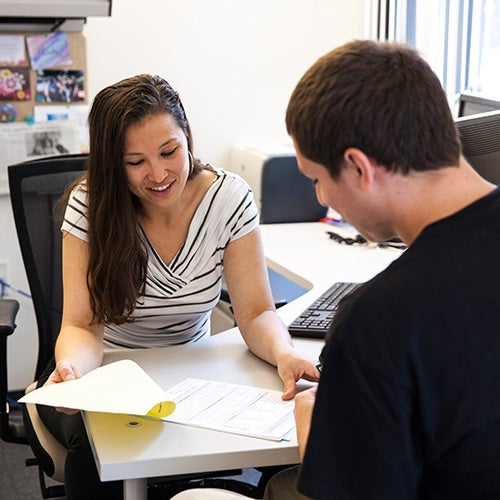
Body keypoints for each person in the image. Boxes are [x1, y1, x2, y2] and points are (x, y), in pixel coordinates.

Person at [172, 39, 500, 499]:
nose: (322, 198)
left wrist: (316, 437)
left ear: (358, 168)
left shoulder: (380, 321)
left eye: (317, 180)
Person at [35, 74, 320, 500]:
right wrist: (75, 374)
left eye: (169, 151)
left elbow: (257, 313)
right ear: (114, 164)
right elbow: (81, 326)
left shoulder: (229, 199)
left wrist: (284, 353)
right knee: (93, 451)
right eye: (135, 162)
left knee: (283, 440)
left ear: (187, 137)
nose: (159, 173)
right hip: (105, 368)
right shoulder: (90, 204)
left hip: (194, 374)